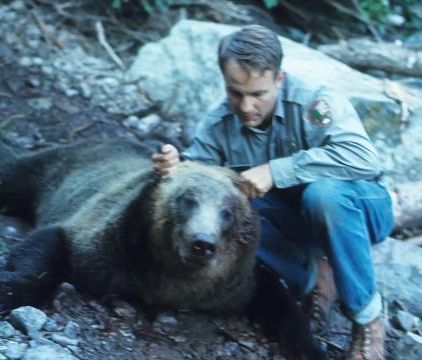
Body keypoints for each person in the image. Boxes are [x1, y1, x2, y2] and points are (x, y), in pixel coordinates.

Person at [151, 24, 394, 360]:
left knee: (324, 195)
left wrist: (276, 171)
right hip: (294, 228)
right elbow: (198, 181)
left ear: (279, 79)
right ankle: (313, 279)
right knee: (234, 215)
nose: (246, 106)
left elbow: (364, 159)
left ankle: (368, 322)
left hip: (357, 210)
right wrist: (174, 169)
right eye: (236, 93)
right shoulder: (218, 123)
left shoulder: (316, 102)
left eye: (258, 94)